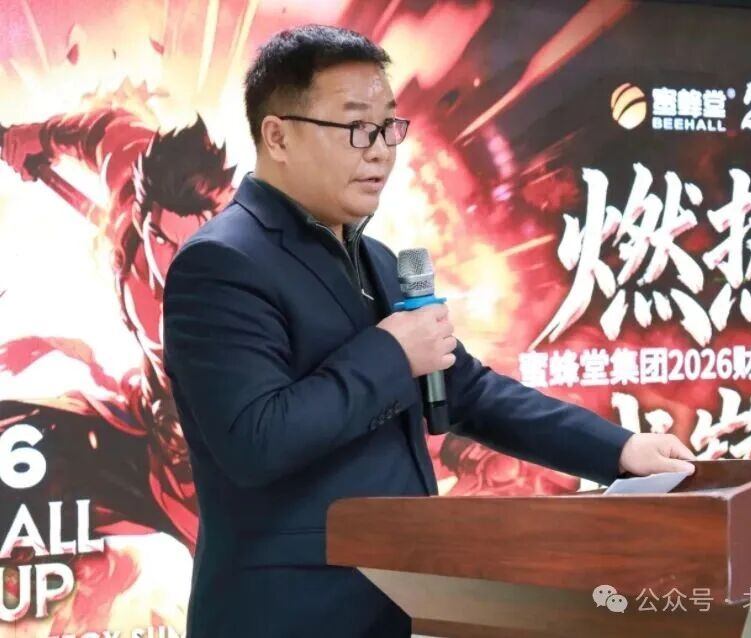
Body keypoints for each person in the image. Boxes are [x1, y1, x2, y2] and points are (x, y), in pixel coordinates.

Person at [161, 24, 696, 638]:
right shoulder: (222, 262)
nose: (381, 151)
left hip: (397, 598)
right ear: (277, 135)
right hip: (286, 614)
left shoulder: (381, 260)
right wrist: (392, 352)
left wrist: (618, 450)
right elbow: (256, 440)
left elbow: (467, 391)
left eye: (388, 127)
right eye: (356, 127)